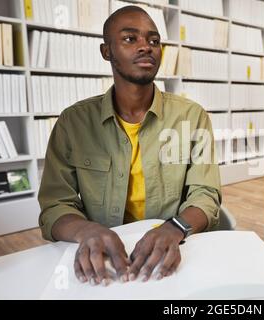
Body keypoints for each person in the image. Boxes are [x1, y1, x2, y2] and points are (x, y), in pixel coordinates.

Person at [38, 5, 221, 286]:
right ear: (106, 51)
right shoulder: (72, 123)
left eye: (153, 40)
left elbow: (205, 194)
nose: (146, 47)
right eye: (129, 38)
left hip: (171, 254)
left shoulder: (191, 116)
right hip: (104, 262)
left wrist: (176, 227)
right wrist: (85, 231)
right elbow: (55, 205)